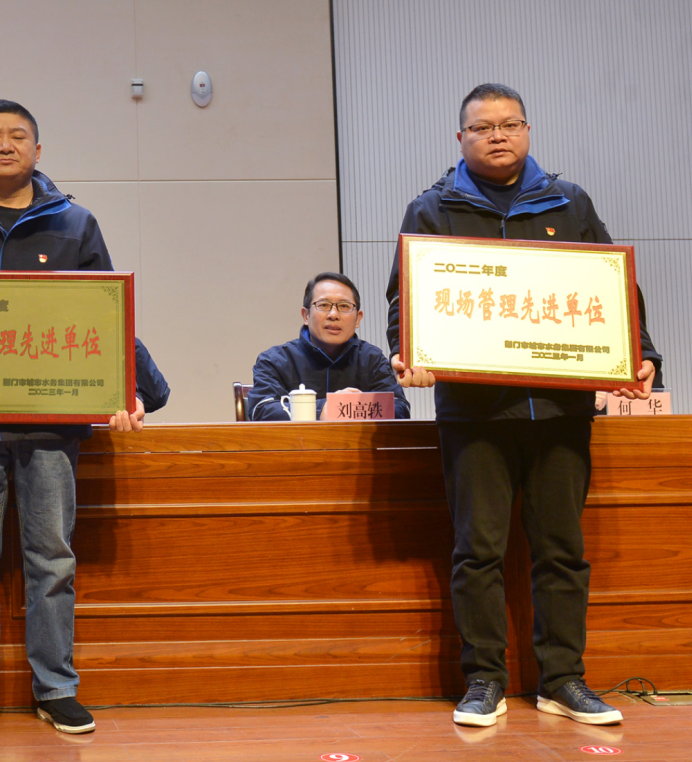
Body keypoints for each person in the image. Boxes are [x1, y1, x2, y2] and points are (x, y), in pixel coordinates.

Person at [385, 84, 663, 728]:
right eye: (483, 127)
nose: (497, 135)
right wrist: (409, 352)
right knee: (477, 550)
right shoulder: (433, 208)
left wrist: (640, 354)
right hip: (475, 414)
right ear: (461, 139)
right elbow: (407, 297)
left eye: (509, 124)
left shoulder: (569, 202)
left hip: (560, 411)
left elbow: (615, 289)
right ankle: (484, 679)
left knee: (562, 550)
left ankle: (563, 680)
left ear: (528, 130)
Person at [0, 100, 170, 738]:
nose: (6, 144)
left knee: (52, 559)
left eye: (19, 135)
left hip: (51, 425)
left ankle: (57, 687)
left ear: (38, 151)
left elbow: (107, 316)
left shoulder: (74, 224)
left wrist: (133, 390)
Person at [248, 272, 410, 421]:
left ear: (358, 319)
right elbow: (261, 409)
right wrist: (325, 409)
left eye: (344, 306)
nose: (333, 315)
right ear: (306, 315)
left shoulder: (372, 359)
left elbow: (400, 409)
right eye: (324, 305)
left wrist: (355, 406)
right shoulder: (274, 360)